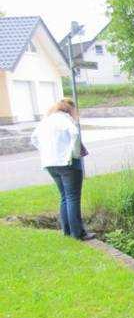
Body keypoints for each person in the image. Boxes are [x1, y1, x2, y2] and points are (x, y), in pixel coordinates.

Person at [30, 98, 94, 241]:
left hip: (50, 164)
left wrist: (47, 153)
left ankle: (66, 230)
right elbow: (75, 134)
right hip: (67, 163)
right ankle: (78, 233)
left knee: (64, 197)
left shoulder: (45, 121)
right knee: (72, 198)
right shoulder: (65, 119)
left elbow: (34, 139)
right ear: (69, 109)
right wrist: (73, 153)